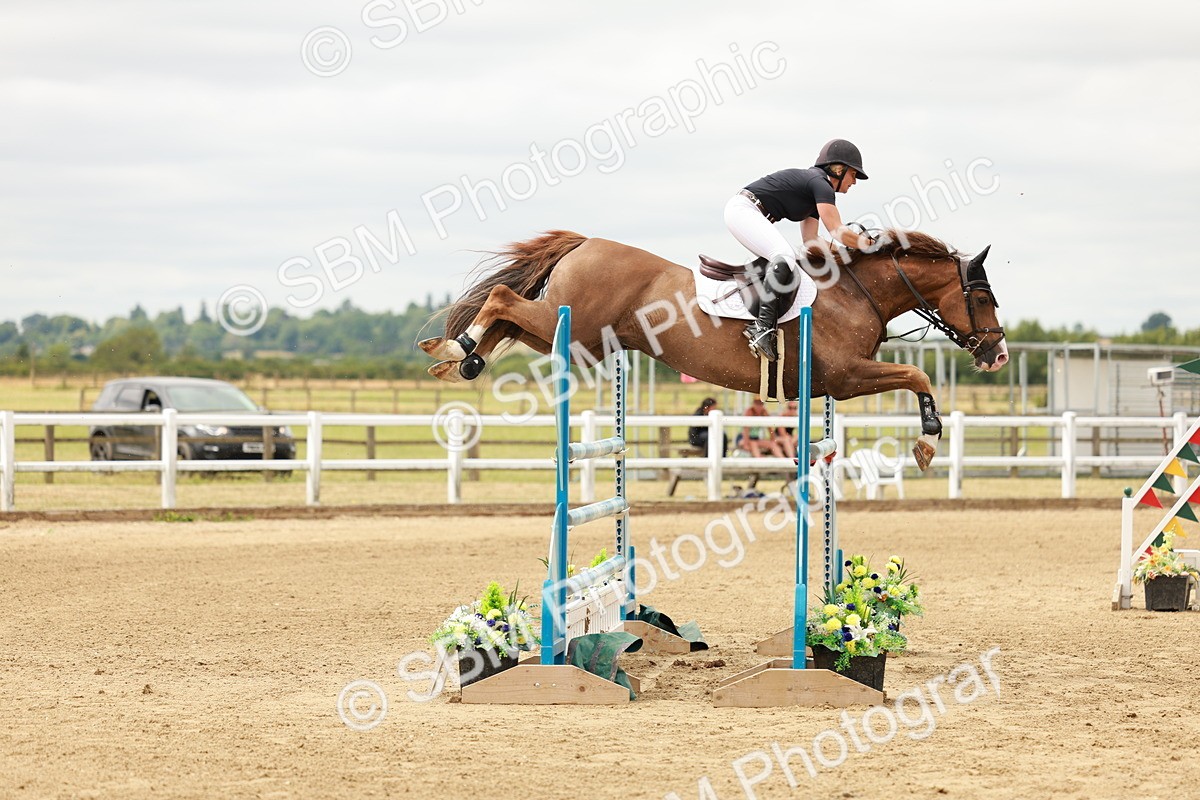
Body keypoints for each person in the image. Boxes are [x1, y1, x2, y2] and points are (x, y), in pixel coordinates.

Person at [724, 139, 878, 361]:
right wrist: (870, 246)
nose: (854, 182)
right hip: (743, 210)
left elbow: (811, 241)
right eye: (854, 175)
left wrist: (847, 255)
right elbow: (837, 230)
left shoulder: (815, 192)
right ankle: (762, 329)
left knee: (789, 256)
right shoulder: (821, 185)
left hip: (747, 211)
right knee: (784, 255)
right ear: (838, 169)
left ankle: (764, 326)